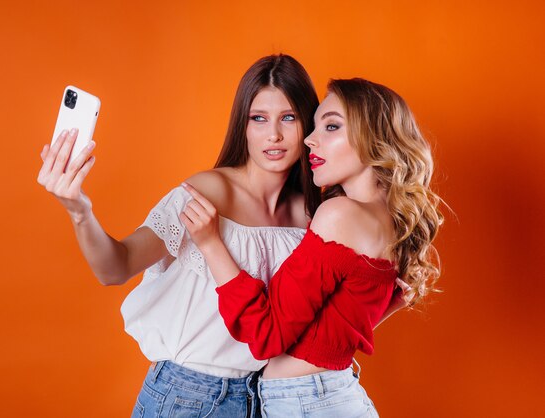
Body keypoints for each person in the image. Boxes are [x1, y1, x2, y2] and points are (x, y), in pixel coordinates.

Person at [37, 54, 320, 417]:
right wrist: (79, 210)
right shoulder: (205, 193)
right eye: (259, 119)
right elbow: (115, 267)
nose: (274, 135)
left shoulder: (311, 216)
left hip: (269, 399)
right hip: (189, 397)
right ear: (243, 126)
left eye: (289, 118)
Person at [180, 78, 443, 417]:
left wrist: (211, 244)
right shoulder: (391, 220)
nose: (308, 139)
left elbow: (267, 335)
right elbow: (329, 340)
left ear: (373, 138)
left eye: (331, 126)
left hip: (311, 403)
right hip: (331, 396)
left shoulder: (339, 214)